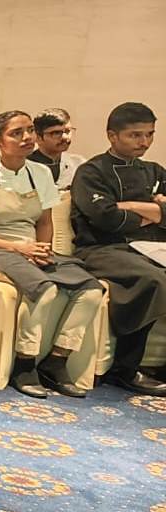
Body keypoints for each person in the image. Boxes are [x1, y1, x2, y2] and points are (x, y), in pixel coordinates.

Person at [0, 110, 101, 399]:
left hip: (31, 247)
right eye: (16, 133)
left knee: (91, 289)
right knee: (45, 290)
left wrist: (42, 249)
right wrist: (18, 248)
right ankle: (24, 364)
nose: (26, 137)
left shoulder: (40, 173)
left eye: (29, 130)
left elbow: (44, 221)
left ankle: (57, 361)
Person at [69, 102, 166, 396]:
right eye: (135, 135)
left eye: (149, 134)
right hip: (102, 248)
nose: (144, 142)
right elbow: (107, 218)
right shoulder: (92, 172)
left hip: (152, 247)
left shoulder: (155, 171)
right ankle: (125, 369)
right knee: (153, 280)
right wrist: (156, 211)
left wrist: (132, 206)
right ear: (113, 135)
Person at [28, 108, 87, 189]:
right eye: (56, 133)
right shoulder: (24, 166)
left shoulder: (79, 164)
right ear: (38, 137)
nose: (65, 137)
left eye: (67, 131)